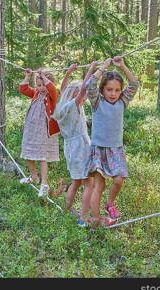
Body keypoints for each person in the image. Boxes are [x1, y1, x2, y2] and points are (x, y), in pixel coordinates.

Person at [85, 56, 139, 228]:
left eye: (116, 90)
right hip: (98, 149)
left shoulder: (122, 102)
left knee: (118, 179)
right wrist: (103, 67)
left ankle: (109, 204)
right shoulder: (96, 102)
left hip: (115, 149)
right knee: (98, 187)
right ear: (102, 90)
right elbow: (89, 85)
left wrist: (122, 66)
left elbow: (134, 85)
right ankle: (95, 220)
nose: (113, 94)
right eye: (109, 90)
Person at [52, 62, 98, 226]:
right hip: (81, 148)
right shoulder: (74, 105)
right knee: (89, 184)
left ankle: (67, 209)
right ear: (76, 94)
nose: (84, 97)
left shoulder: (62, 105)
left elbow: (64, 88)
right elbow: (84, 89)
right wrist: (93, 69)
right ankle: (83, 218)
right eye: (81, 95)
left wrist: (69, 72)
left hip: (70, 149)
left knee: (76, 182)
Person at [18, 69, 60, 198]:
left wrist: (42, 76)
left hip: (44, 130)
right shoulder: (36, 93)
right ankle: (34, 177)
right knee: (28, 153)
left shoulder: (52, 96)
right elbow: (23, 89)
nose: (40, 88)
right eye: (38, 85)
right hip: (31, 129)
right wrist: (28, 76)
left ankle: (44, 184)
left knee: (42, 157)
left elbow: (51, 88)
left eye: (43, 85)